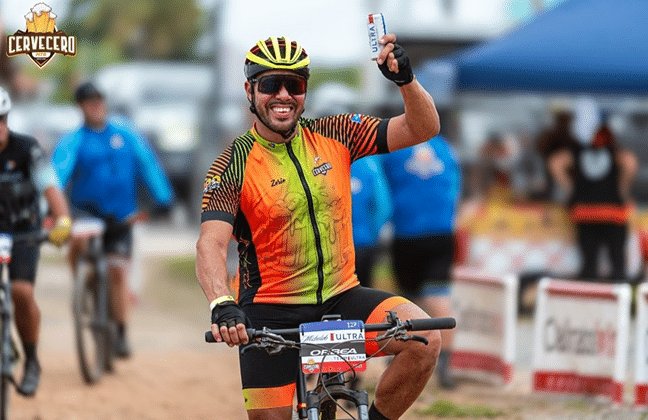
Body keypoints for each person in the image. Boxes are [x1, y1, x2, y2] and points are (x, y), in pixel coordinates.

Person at [196, 35, 442, 420]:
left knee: (424, 339)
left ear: (305, 90)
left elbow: (423, 127)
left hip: (342, 298)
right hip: (270, 312)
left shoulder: (336, 133)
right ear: (250, 90)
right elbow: (210, 245)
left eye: (293, 85)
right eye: (269, 84)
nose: (282, 95)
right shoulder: (233, 164)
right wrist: (221, 303)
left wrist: (405, 81)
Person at [52, 82, 175, 358]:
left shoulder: (125, 134)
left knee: (118, 272)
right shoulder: (74, 139)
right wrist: (51, 204)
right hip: (86, 213)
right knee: (77, 244)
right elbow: (58, 172)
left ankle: (119, 332)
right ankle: (83, 285)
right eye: (88, 102)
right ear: (80, 107)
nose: (95, 106)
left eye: (98, 100)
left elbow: (148, 164)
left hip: (122, 216)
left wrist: (163, 198)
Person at [0, 86, 71, 396]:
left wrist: (62, 219)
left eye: (0, 120)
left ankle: (31, 360)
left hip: (24, 230)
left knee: (21, 291)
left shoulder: (26, 148)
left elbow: (50, 185)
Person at [381, 134, 462, 390]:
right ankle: (445, 367)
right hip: (441, 231)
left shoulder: (394, 147)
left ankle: (402, 359)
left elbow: (382, 191)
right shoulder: (445, 147)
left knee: (406, 299)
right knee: (440, 296)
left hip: (407, 233)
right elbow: (455, 186)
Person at [548, 98, 638, 281]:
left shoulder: (579, 149)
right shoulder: (613, 149)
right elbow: (630, 163)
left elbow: (555, 162)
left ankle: (589, 300)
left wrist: (570, 188)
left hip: (585, 211)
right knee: (617, 262)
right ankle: (619, 299)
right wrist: (622, 188)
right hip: (613, 211)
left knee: (589, 263)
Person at [351, 155, 393, 288]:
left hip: (330, 247)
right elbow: (383, 206)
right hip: (363, 242)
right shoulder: (369, 163)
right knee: (362, 295)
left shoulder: (319, 158)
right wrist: (372, 233)